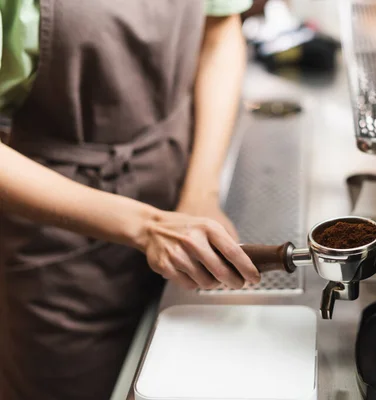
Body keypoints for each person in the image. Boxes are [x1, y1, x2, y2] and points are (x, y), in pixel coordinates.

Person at [0, 1, 261, 399]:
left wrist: (200, 194)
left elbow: (220, 32)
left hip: (174, 175)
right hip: (58, 242)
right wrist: (147, 226)